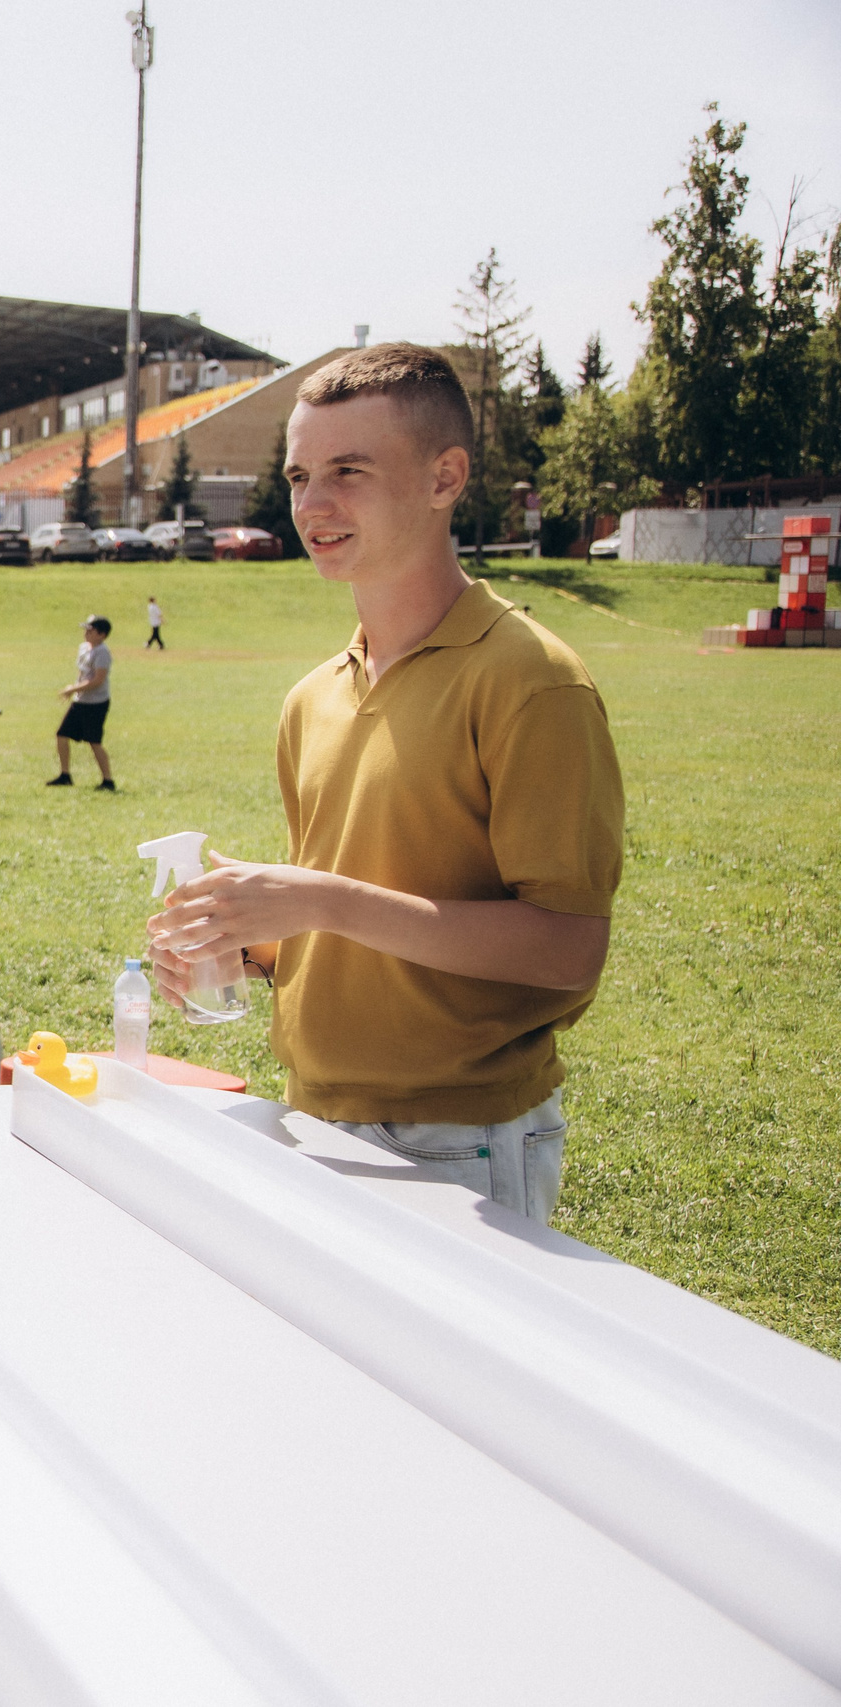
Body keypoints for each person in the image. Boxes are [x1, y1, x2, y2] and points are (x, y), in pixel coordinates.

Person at [147, 343, 623, 1224]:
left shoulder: (531, 682)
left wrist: (319, 898)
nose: (312, 504)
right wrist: (246, 943)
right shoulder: (311, 698)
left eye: (349, 470)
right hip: (310, 1118)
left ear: (446, 477)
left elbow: (568, 950)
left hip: (457, 1141)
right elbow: (356, 921)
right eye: (297, 475)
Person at [50, 616, 115, 790]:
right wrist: (75, 688)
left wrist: (73, 689)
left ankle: (108, 780)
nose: (86, 633)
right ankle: (65, 775)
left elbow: (98, 680)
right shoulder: (83, 648)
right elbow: (83, 674)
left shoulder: (102, 653)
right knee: (62, 735)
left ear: (101, 634)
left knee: (94, 742)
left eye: (90, 630)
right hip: (81, 701)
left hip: (96, 703)